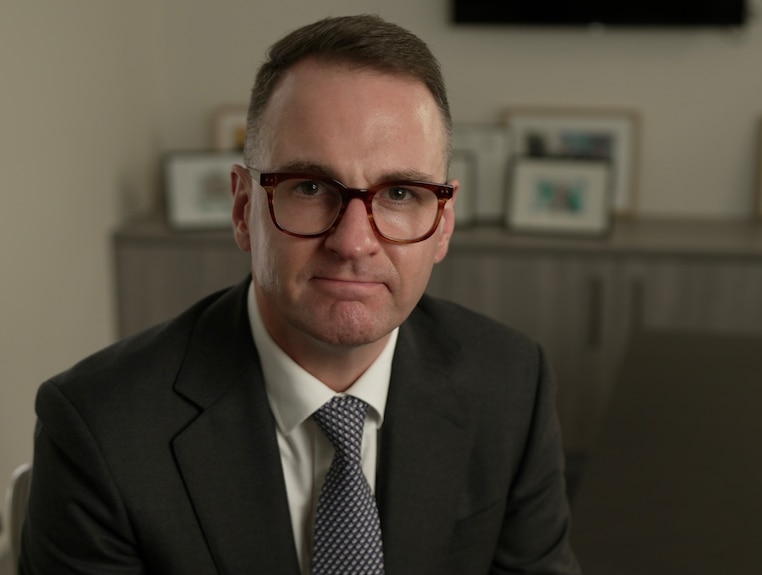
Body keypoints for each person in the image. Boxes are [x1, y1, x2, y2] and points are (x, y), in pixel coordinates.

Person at [20, 14, 580, 575]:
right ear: (243, 209)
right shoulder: (100, 429)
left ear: (444, 223)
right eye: (310, 188)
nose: (354, 242)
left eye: (401, 192)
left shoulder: (511, 384)